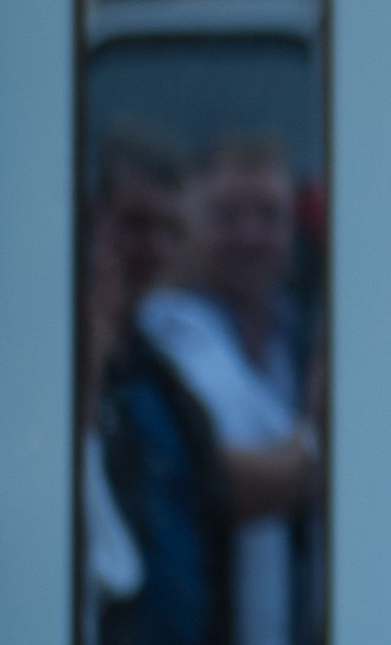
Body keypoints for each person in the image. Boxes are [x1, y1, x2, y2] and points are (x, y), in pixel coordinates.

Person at [140, 139, 321, 645]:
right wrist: (320, 447)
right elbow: (212, 480)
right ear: (189, 225)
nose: (250, 235)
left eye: (268, 215)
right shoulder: (162, 337)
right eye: (226, 215)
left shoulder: (304, 337)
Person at [82, 133, 234, 645]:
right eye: (136, 225)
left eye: (172, 230)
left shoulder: (157, 369)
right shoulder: (46, 358)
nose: (156, 250)